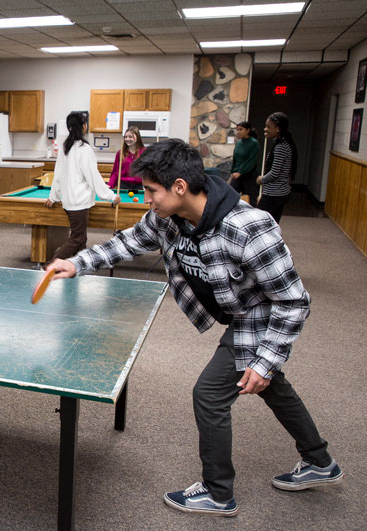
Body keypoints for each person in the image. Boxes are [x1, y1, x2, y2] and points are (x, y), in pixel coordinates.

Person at [47, 138, 343, 518]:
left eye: (152, 191)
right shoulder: (165, 219)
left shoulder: (249, 228)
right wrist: (77, 263)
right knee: (270, 386)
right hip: (237, 313)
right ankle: (319, 461)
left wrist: (266, 359)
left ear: (180, 187)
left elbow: (293, 301)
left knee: (210, 394)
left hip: (261, 317)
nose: (148, 199)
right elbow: (128, 243)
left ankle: (219, 493)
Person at [44, 111, 120, 264]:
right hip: (79, 202)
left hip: (69, 201)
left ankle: (79, 271)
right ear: (84, 126)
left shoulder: (66, 147)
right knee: (77, 238)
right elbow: (93, 177)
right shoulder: (84, 149)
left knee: (81, 241)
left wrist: (53, 196)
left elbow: (57, 174)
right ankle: (48, 268)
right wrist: (111, 196)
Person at [257, 112, 297, 223]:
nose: (265, 129)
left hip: (274, 194)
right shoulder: (283, 144)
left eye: (268, 127)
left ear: (278, 129)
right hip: (278, 193)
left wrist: (261, 180)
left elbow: (274, 173)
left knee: (260, 223)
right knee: (271, 224)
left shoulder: (281, 147)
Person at [229, 121, 260, 206]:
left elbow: (251, 160)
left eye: (241, 129)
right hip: (237, 175)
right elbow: (235, 158)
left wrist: (240, 172)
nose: (238, 132)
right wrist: (233, 172)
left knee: (251, 199)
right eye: (237, 129)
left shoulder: (254, 143)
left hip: (249, 175)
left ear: (248, 130)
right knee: (230, 195)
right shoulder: (239, 143)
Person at [108, 126, 146, 191]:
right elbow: (115, 172)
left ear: (137, 137)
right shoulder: (120, 153)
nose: (127, 139)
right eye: (126, 137)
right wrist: (110, 185)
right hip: (122, 185)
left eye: (130, 137)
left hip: (139, 186)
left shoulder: (144, 152)